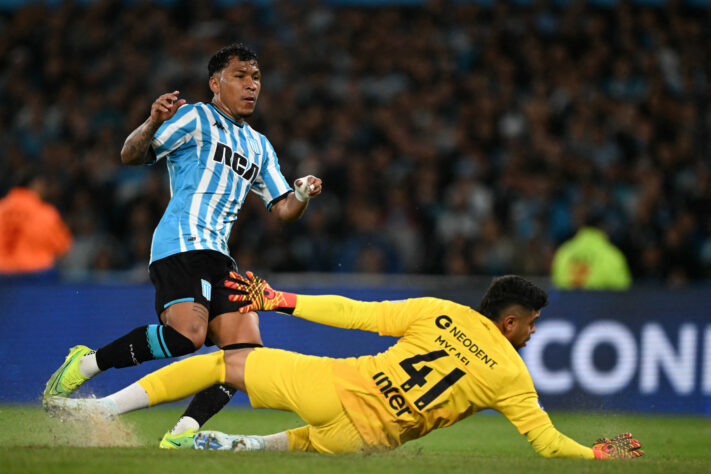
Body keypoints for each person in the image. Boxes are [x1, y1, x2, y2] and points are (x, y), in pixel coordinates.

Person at [42, 43, 323, 449]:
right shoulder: (195, 117)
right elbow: (130, 154)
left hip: (219, 255)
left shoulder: (261, 146)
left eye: (256, 77)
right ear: (215, 83)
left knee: (246, 357)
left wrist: (303, 194)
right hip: (181, 241)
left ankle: (182, 433)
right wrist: (153, 121)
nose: (251, 85)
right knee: (186, 336)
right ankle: (85, 363)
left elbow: (283, 210)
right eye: (240, 76)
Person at [47, 272, 643, 459]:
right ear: (510, 323)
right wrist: (593, 454)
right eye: (531, 323)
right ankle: (235, 448)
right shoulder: (512, 376)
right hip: (366, 443)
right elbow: (544, 443)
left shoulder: (438, 312)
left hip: (338, 390)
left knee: (224, 362)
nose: (533, 334)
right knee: (308, 443)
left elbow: (356, 314)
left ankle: (99, 408)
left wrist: (283, 300)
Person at [0, 172, 72, 278]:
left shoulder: (1, 208)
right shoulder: (44, 213)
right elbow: (63, 246)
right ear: (36, 184)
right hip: (34, 275)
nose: (46, 190)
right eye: (45, 185)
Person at [551, 215, 632, 290]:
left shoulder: (564, 251)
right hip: (601, 304)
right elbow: (622, 287)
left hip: (567, 304)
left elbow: (557, 283)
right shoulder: (611, 254)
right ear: (603, 229)